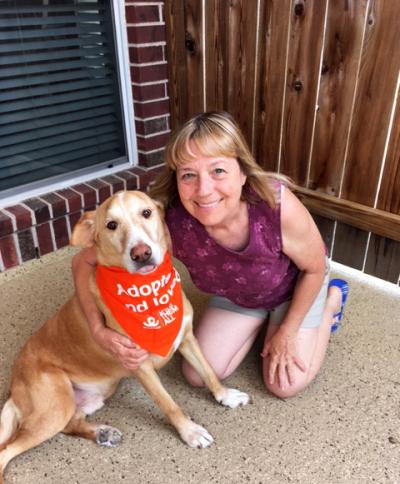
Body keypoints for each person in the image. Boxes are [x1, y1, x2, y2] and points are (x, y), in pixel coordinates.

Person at [72, 111, 348, 398]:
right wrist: (97, 330)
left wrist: (287, 332)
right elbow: (82, 261)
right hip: (238, 295)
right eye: (189, 175)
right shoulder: (166, 222)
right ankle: (260, 320)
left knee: (283, 386)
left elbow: (314, 268)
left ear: (242, 172)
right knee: (197, 376)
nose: (203, 190)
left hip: (294, 287)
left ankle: (330, 302)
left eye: (218, 171)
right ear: (177, 181)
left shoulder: (275, 205)